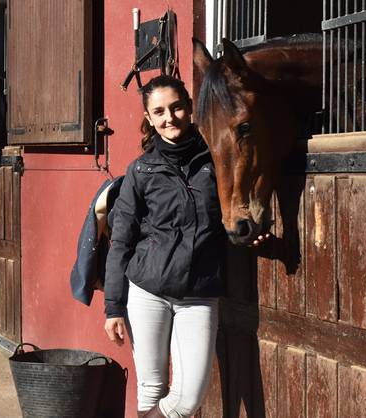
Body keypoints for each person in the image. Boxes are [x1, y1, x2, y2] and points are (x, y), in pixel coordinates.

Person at [103, 75, 270, 418]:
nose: (170, 118)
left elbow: (233, 211)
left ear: (190, 108)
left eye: (176, 107)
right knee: (151, 389)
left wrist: (248, 235)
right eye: (159, 111)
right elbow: (121, 240)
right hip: (147, 290)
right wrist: (113, 307)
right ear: (149, 118)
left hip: (199, 292)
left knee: (187, 398)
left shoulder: (216, 160)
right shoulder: (141, 171)